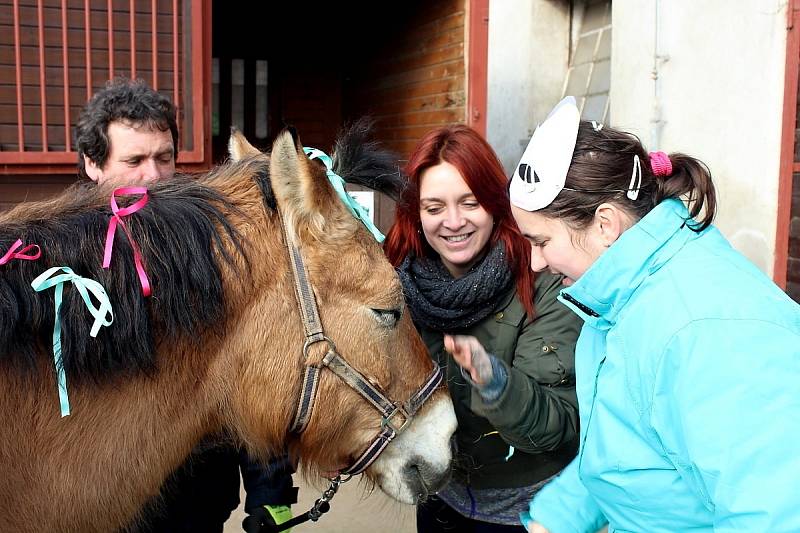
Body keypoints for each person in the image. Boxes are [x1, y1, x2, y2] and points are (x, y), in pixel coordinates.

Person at [511, 97, 800, 532]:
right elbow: (631, 449)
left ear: (605, 225)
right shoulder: (622, 301)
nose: (534, 263)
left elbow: (774, 515)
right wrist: (557, 518)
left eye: (541, 241)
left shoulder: (708, 332)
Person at [74, 77, 297, 532]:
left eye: (164, 157)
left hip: (198, 503)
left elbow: (249, 369)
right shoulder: (63, 263)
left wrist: (271, 497)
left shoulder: (213, 247)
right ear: (93, 165)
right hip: (102, 507)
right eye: (134, 160)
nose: (154, 176)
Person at [383, 125, 582, 532]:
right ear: (416, 215)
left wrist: (496, 384)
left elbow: (557, 427)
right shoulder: (398, 285)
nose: (453, 222)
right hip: (443, 499)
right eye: (434, 207)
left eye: (469, 203)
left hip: (530, 510)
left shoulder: (542, 277)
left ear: (495, 203)